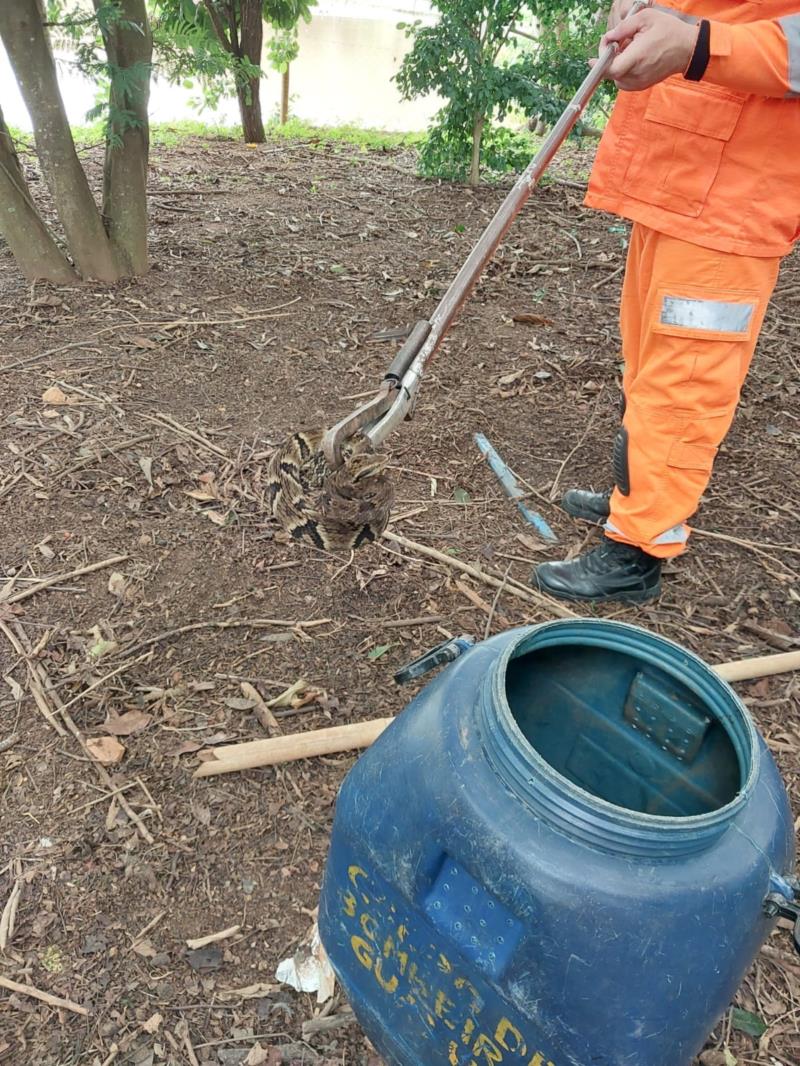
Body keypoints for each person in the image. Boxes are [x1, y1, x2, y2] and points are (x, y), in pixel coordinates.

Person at [533, 0, 800, 604]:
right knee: (648, 363)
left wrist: (697, 45)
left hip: (737, 191)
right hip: (676, 172)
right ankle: (639, 495)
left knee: (686, 377)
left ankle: (639, 547)